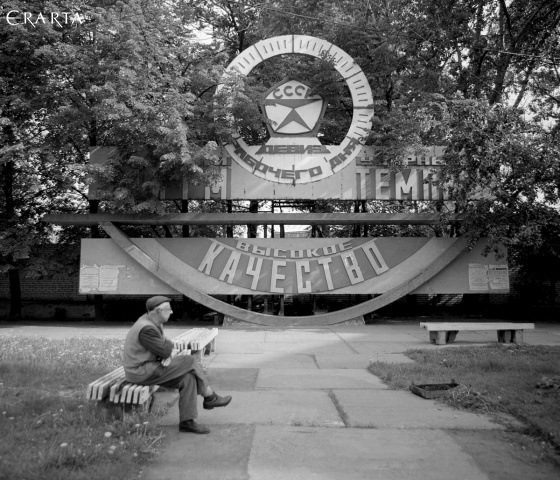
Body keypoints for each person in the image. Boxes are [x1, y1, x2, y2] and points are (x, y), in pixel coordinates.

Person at [123, 295, 231, 434]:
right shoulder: (146, 329)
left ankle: (187, 422)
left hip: (148, 367)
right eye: (168, 309)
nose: (172, 312)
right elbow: (166, 350)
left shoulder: (151, 322)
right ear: (157, 311)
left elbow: (164, 347)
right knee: (189, 360)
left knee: (188, 378)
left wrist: (166, 345)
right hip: (141, 372)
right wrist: (167, 345)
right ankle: (210, 397)